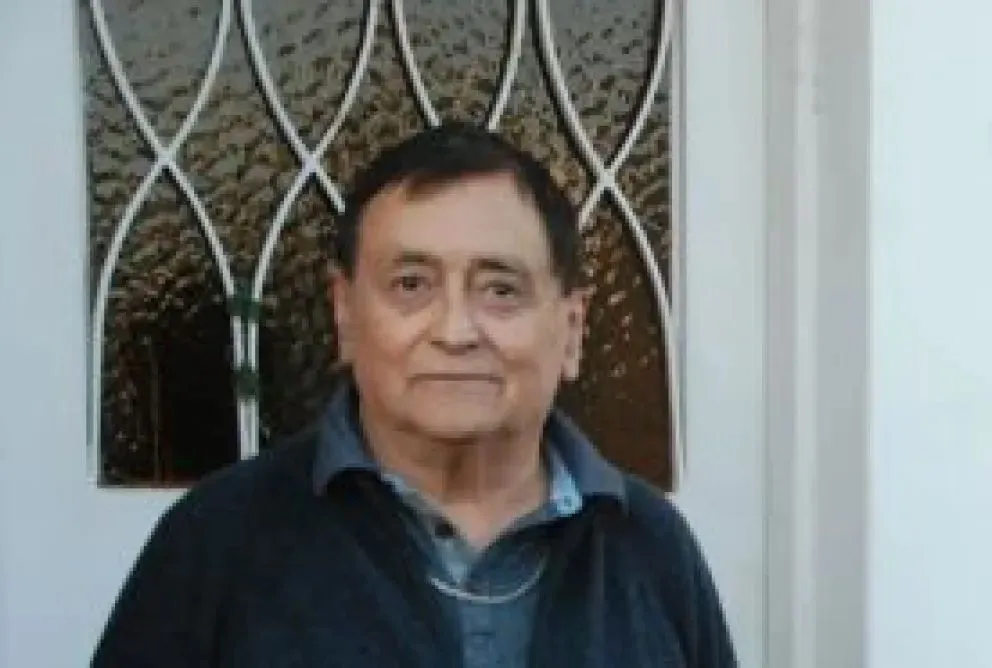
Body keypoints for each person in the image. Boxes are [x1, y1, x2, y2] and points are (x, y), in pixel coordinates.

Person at [92, 122, 738, 667]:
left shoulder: (648, 544)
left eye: (501, 290)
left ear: (571, 329)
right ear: (345, 314)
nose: (455, 331)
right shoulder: (221, 541)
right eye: (411, 285)